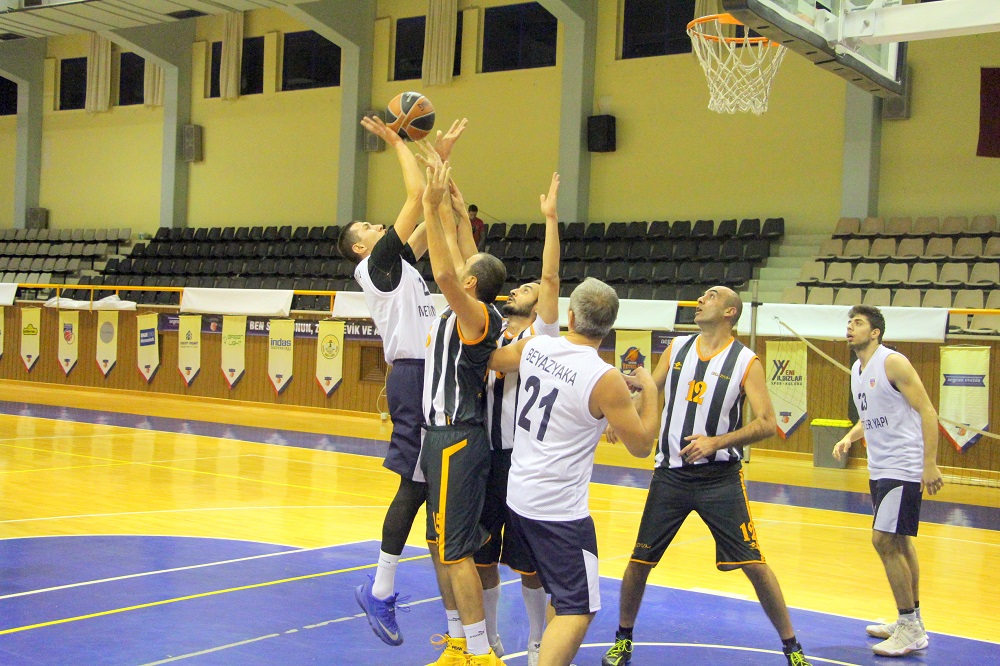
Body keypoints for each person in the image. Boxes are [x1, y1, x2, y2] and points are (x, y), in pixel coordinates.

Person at [602, 286, 812, 666]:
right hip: (670, 476)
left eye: (711, 296)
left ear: (730, 312)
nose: (700, 300)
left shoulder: (746, 361)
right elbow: (649, 389)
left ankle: (793, 648)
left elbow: (768, 423)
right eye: (702, 296)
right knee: (639, 561)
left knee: (755, 564)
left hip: (720, 479)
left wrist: (717, 442)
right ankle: (623, 639)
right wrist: (623, 416)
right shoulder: (677, 348)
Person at [488, 277, 661, 666]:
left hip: (519, 493)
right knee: (578, 608)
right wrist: (650, 390)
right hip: (558, 510)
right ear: (609, 327)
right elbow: (642, 445)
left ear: (570, 315)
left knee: (560, 594)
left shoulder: (536, 346)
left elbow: (495, 361)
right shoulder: (605, 378)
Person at [343, 115, 465, 647]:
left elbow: (428, 208)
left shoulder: (402, 268)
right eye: (369, 227)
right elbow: (415, 197)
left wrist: (439, 157)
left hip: (429, 376)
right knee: (414, 485)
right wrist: (397, 140)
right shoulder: (376, 268)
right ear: (360, 248)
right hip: (413, 377)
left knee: (428, 487)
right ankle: (381, 589)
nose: (379, 226)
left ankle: (425, 599)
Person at [420, 160, 507, 665]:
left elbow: (444, 270)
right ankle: (458, 642)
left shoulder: (476, 317)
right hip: (440, 436)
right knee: (439, 544)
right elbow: (459, 257)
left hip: (457, 437)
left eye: (465, 273)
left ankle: (480, 653)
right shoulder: (473, 303)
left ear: (471, 284)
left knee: (456, 551)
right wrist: (453, 207)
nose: (458, 272)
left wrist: (429, 208)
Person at [475, 173, 561, 664]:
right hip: (485, 456)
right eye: (518, 285)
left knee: (528, 564)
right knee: (482, 554)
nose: (521, 288)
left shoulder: (542, 335)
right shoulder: (488, 327)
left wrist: (550, 220)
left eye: (528, 287)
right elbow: (470, 272)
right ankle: (489, 638)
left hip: (523, 460)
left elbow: (550, 278)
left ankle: (535, 638)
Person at [832, 304, 943, 657]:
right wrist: (849, 437)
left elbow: (927, 411)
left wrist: (930, 464)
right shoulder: (856, 369)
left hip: (903, 465)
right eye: (849, 322)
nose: (850, 327)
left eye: (858, 322)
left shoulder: (893, 362)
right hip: (879, 468)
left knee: (883, 541)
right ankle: (913, 621)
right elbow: (871, 417)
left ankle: (909, 627)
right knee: (901, 542)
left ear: (875, 332)